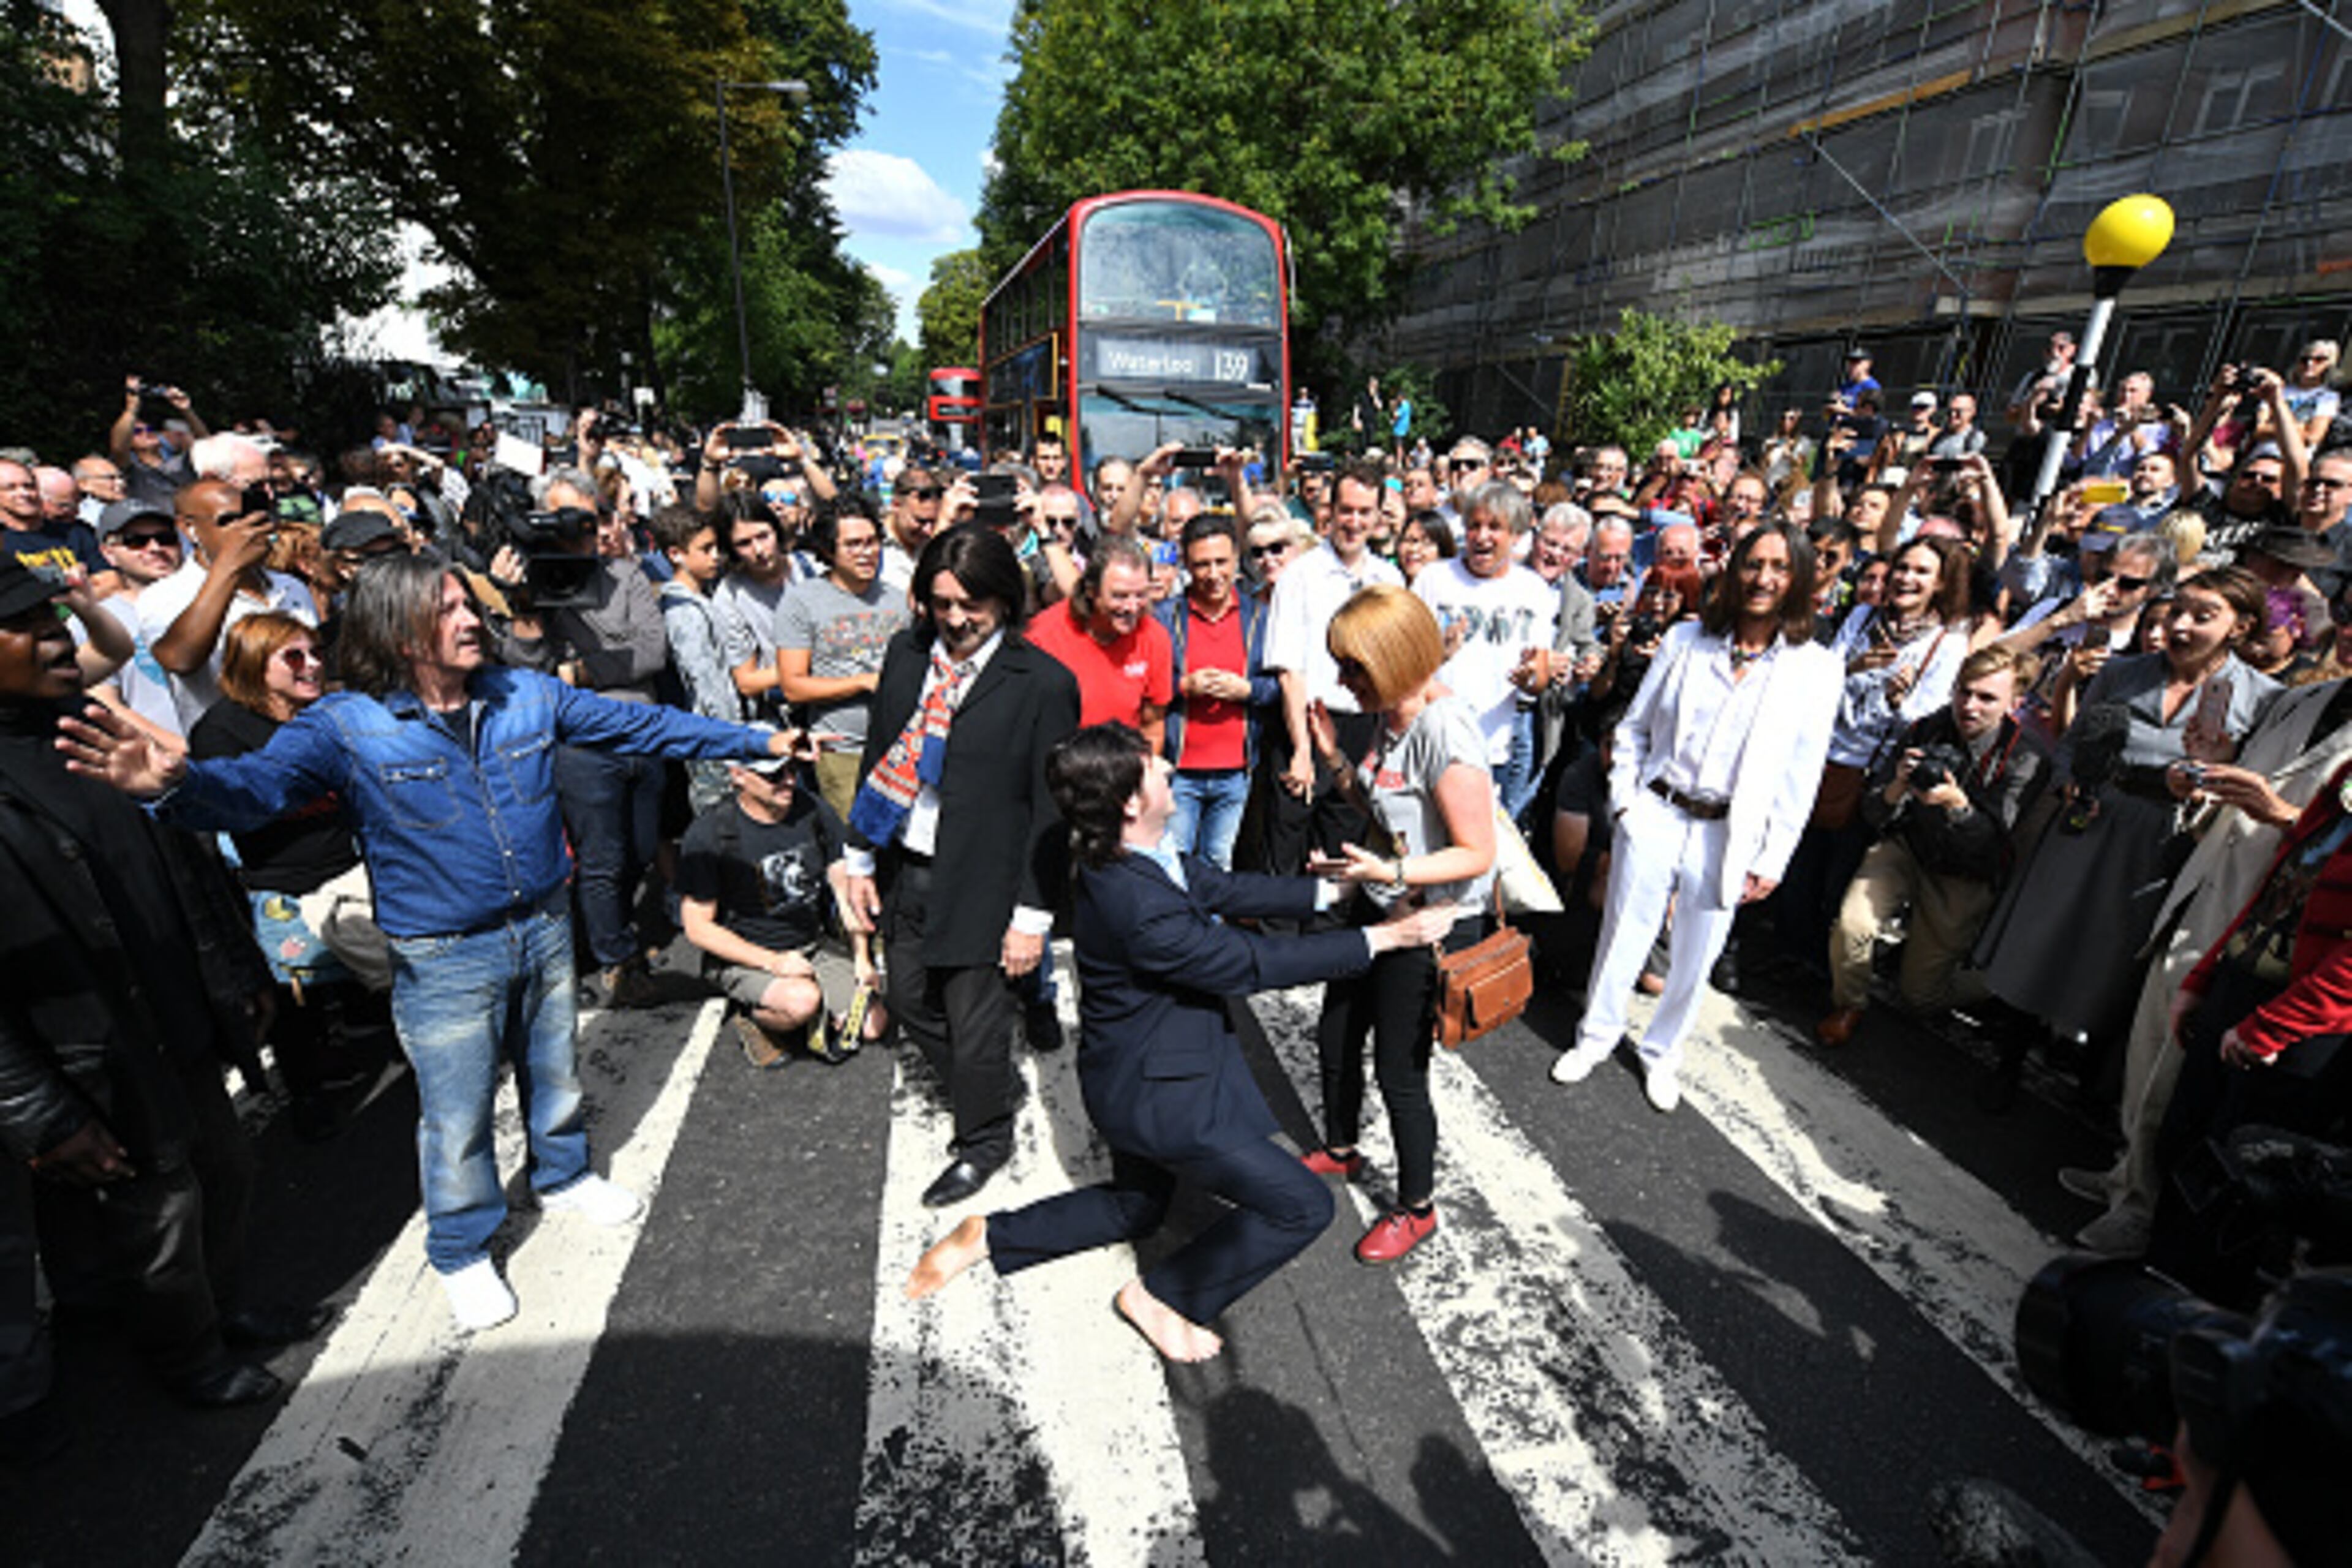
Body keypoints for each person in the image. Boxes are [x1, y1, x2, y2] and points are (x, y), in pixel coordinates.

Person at [58, 554, 802, 1331]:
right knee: (457, 1113)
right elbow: (254, 790)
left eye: (465, 602)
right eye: (447, 608)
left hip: (545, 924)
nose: (471, 617)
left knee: (555, 1070)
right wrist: (176, 786)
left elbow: (642, 722)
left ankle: (564, 1173)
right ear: (400, 630)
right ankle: (461, 1249)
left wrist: (749, 740)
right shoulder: (344, 725)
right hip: (443, 953)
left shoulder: (527, 693)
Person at [903, 725, 1452, 1361]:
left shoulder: (1136, 857)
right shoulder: (1136, 901)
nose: (1169, 767)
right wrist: (1385, 940)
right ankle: (1163, 1296)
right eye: (1154, 766)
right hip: (1165, 1100)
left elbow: (1222, 887)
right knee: (1301, 1205)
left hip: (1126, 1081)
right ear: (1132, 803)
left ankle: (991, 1235)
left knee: (1137, 1207)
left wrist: (1340, 887)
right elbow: (1245, 960)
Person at [0, 560, 314, 1440]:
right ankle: (189, 1359)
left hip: (178, 1019)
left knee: (227, 1172)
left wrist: (239, 971)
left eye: (50, 617)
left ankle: (223, 1313)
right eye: (25, 627)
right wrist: (42, 1117)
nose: (58, 637)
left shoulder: (89, 726)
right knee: (160, 1215)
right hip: (91, 1060)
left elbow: (184, 855)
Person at [1552, 523, 1842, 1110]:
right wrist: (1628, 804)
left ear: (1799, 580)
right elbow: (1634, 729)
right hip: (1657, 810)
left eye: (1780, 568)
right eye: (1754, 564)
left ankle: (1663, 1052)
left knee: (1697, 951)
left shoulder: (1815, 667)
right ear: (1734, 571)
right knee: (1622, 933)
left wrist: (1772, 856)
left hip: (1729, 831)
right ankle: (1596, 1035)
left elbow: (1801, 773)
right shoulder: (1688, 640)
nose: (1764, 579)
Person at [839, 526, 1081, 1209]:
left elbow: (1050, 811)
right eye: (941, 602)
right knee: (912, 997)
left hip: (989, 879)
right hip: (906, 863)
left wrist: (1032, 918)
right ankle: (989, 1085)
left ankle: (984, 1139)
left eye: (970, 604)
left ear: (1006, 599)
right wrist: (858, 855)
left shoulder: (1042, 683)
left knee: (976, 1024)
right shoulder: (907, 654)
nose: (954, 619)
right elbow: (882, 752)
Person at [1974, 568, 2280, 1104]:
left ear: (2241, 626)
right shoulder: (2124, 673)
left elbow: (2254, 784)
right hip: (2092, 820)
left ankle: (2090, 1085)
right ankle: (2009, 1060)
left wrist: (2208, 783)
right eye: (2178, 610)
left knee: (2115, 960)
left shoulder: (2261, 699)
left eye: (2202, 616)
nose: (2180, 626)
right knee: (2046, 937)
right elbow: (2076, 743)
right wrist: (2073, 783)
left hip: (2167, 843)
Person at [1298, 586, 1499, 1263]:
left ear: (1392, 658)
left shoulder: (1446, 730)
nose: (1341, 680)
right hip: (1384, 902)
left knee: (1399, 1072)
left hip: (1429, 925)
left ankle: (1417, 1207)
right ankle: (1342, 1148)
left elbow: (1478, 851)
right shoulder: (1394, 715)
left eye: (1353, 666)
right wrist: (1333, 758)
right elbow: (1389, 811)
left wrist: (1388, 875)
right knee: (1336, 1033)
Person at [1818, 646, 2052, 1044]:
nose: (1970, 706)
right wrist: (1896, 786)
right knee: (1853, 925)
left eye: (1987, 698)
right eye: (1964, 692)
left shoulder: (2026, 760)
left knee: (1921, 997)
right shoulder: (1927, 728)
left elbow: (1992, 844)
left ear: (2015, 702)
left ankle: (2005, 986)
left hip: (1965, 873)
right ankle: (1849, 1004)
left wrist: (1958, 806)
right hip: (1909, 847)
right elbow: (1875, 813)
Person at [676, 745, 883, 1069]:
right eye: (774, 774)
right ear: (739, 775)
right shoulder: (711, 834)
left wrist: (862, 958)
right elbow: (698, 927)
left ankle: (813, 1005)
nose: (788, 781)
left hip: (812, 946)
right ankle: (752, 1017)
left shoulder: (812, 810)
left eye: (792, 770)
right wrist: (773, 962)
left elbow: (845, 892)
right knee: (802, 1001)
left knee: (872, 1025)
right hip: (749, 955)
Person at [1411, 482, 1564, 824]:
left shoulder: (1533, 590)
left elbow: (1538, 675)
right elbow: (1407, 664)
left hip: (1494, 747)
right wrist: (1440, 654)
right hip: (1433, 741)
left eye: (1495, 527)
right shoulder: (1434, 580)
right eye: (1474, 526)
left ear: (1516, 536)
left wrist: (1530, 679)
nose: (1482, 536)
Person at [140, 480, 319, 732]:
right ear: (189, 528)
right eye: (229, 521)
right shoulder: (165, 595)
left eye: (253, 517)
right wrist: (229, 568)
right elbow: (179, 660)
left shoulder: (291, 586)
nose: (248, 529)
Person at [1156, 512, 1277, 869]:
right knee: (1174, 860)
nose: (1213, 574)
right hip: (1180, 767)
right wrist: (1183, 686)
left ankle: (1210, 926)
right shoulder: (1165, 618)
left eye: (1221, 562)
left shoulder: (1259, 617)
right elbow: (1144, 684)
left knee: (1218, 861)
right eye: (1202, 565)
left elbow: (1280, 687)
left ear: (1237, 560)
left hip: (1236, 770)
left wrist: (1248, 690)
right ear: (1186, 566)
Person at [778, 502, 911, 821]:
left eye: (872, 542)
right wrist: (863, 683)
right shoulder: (802, 601)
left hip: (898, 748)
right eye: (853, 544)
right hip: (842, 751)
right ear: (828, 549)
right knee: (855, 845)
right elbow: (793, 686)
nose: (866, 552)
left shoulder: (897, 600)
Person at [650, 505, 743, 817]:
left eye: (717, 547)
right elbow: (705, 682)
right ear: (676, 554)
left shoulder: (702, 599)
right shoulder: (683, 611)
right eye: (705, 549)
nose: (715, 556)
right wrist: (731, 737)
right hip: (713, 738)